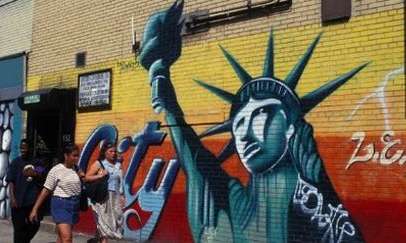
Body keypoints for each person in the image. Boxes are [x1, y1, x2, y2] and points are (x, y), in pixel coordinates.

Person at [139, 1, 367, 242]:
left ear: (290, 126)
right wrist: (160, 76)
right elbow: (193, 155)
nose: (245, 134)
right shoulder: (233, 201)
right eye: (238, 125)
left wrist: (321, 190)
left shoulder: (311, 195)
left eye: (260, 115)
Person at [29, 143, 85, 243]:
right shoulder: (56, 170)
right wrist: (35, 209)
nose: (77, 158)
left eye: (78, 155)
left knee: (61, 238)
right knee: (67, 239)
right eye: (74, 155)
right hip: (61, 205)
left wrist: (83, 177)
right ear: (66, 155)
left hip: (74, 205)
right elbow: (46, 190)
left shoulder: (76, 169)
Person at [7, 139, 45, 243]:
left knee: (35, 225)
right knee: (19, 228)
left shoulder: (37, 163)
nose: (22, 150)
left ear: (31, 149)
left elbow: (42, 175)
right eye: (21, 148)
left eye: (25, 148)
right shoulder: (16, 162)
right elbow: (11, 181)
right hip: (18, 201)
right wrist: (12, 198)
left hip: (32, 201)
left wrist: (34, 173)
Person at [85, 142, 124, 243]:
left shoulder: (118, 165)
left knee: (110, 225)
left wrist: (122, 195)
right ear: (104, 152)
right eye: (110, 151)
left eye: (115, 151)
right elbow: (87, 178)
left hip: (114, 198)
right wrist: (101, 175)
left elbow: (120, 181)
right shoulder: (99, 163)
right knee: (103, 226)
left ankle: (93, 241)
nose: (113, 153)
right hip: (102, 197)